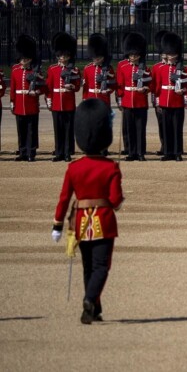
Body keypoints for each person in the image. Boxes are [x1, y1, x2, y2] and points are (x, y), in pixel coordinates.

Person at [51, 99, 124, 324]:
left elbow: (64, 198)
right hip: (103, 221)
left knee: (88, 267)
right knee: (102, 266)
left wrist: (57, 225)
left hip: (80, 222)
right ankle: (90, 299)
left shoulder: (74, 167)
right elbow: (114, 200)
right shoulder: (110, 167)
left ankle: (94, 310)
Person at [115, 32, 152, 161]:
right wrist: (119, 100)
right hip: (127, 101)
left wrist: (146, 89)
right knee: (129, 128)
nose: (133, 57)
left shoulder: (145, 68)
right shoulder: (122, 66)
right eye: (131, 55)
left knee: (140, 129)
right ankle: (131, 152)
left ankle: (140, 153)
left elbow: (150, 84)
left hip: (140, 101)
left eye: (136, 55)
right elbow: (119, 84)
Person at [151, 33, 187, 161]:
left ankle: (177, 152)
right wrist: (157, 101)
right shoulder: (161, 68)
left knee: (177, 128)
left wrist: (183, 91)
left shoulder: (183, 68)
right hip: (165, 100)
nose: (171, 56)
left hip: (177, 100)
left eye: (174, 54)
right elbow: (157, 87)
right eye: (169, 54)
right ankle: (168, 152)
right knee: (166, 128)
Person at [46, 32, 82, 162]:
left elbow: (77, 86)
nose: (63, 58)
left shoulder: (75, 70)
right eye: (61, 55)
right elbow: (49, 87)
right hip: (56, 102)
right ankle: (59, 152)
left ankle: (67, 153)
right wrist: (49, 100)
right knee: (58, 129)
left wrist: (72, 87)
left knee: (68, 130)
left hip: (68, 103)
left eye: (65, 55)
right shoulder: (52, 69)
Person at [12, 35, 43, 161]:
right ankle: (23, 151)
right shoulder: (15, 70)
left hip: (31, 103)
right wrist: (12, 102)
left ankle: (31, 152)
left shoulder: (36, 72)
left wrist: (36, 92)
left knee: (31, 129)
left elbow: (43, 87)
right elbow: (13, 89)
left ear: (31, 59)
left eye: (26, 58)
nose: (24, 60)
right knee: (21, 129)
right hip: (19, 103)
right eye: (22, 58)